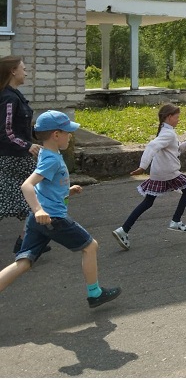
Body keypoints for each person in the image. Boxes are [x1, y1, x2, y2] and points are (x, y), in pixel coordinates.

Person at [0, 110, 121, 308]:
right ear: (56, 135)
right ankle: (94, 293)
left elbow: (46, 185)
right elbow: (27, 185)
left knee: (24, 263)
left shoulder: (49, 154)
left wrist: (67, 191)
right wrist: (39, 210)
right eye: (67, 132)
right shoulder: (51, 159)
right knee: (91, 246)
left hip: (38, 219)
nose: (70, 135)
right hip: (52, 219)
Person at [111, 104, 186, 250]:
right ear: (168, 117)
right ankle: (176, 221)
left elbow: (176, 151)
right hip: (168, 172)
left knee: (148, 202)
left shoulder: (166, 132)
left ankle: (123, 230)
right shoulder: (168, 133)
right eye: (177, 117)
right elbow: (152, 146)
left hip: (159, 172)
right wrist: (142, 166)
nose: (178, 120)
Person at [0, 56, 51, 255]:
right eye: (23, 68)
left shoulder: (13, 95)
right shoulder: (9, 98)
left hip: (13, 156)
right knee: (38, 195)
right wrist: (27, 145)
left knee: (22, 196)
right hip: (13, 158)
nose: (26, 72)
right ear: (13, 71)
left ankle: (26, 239)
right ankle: (25, 241)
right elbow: (5, 132)